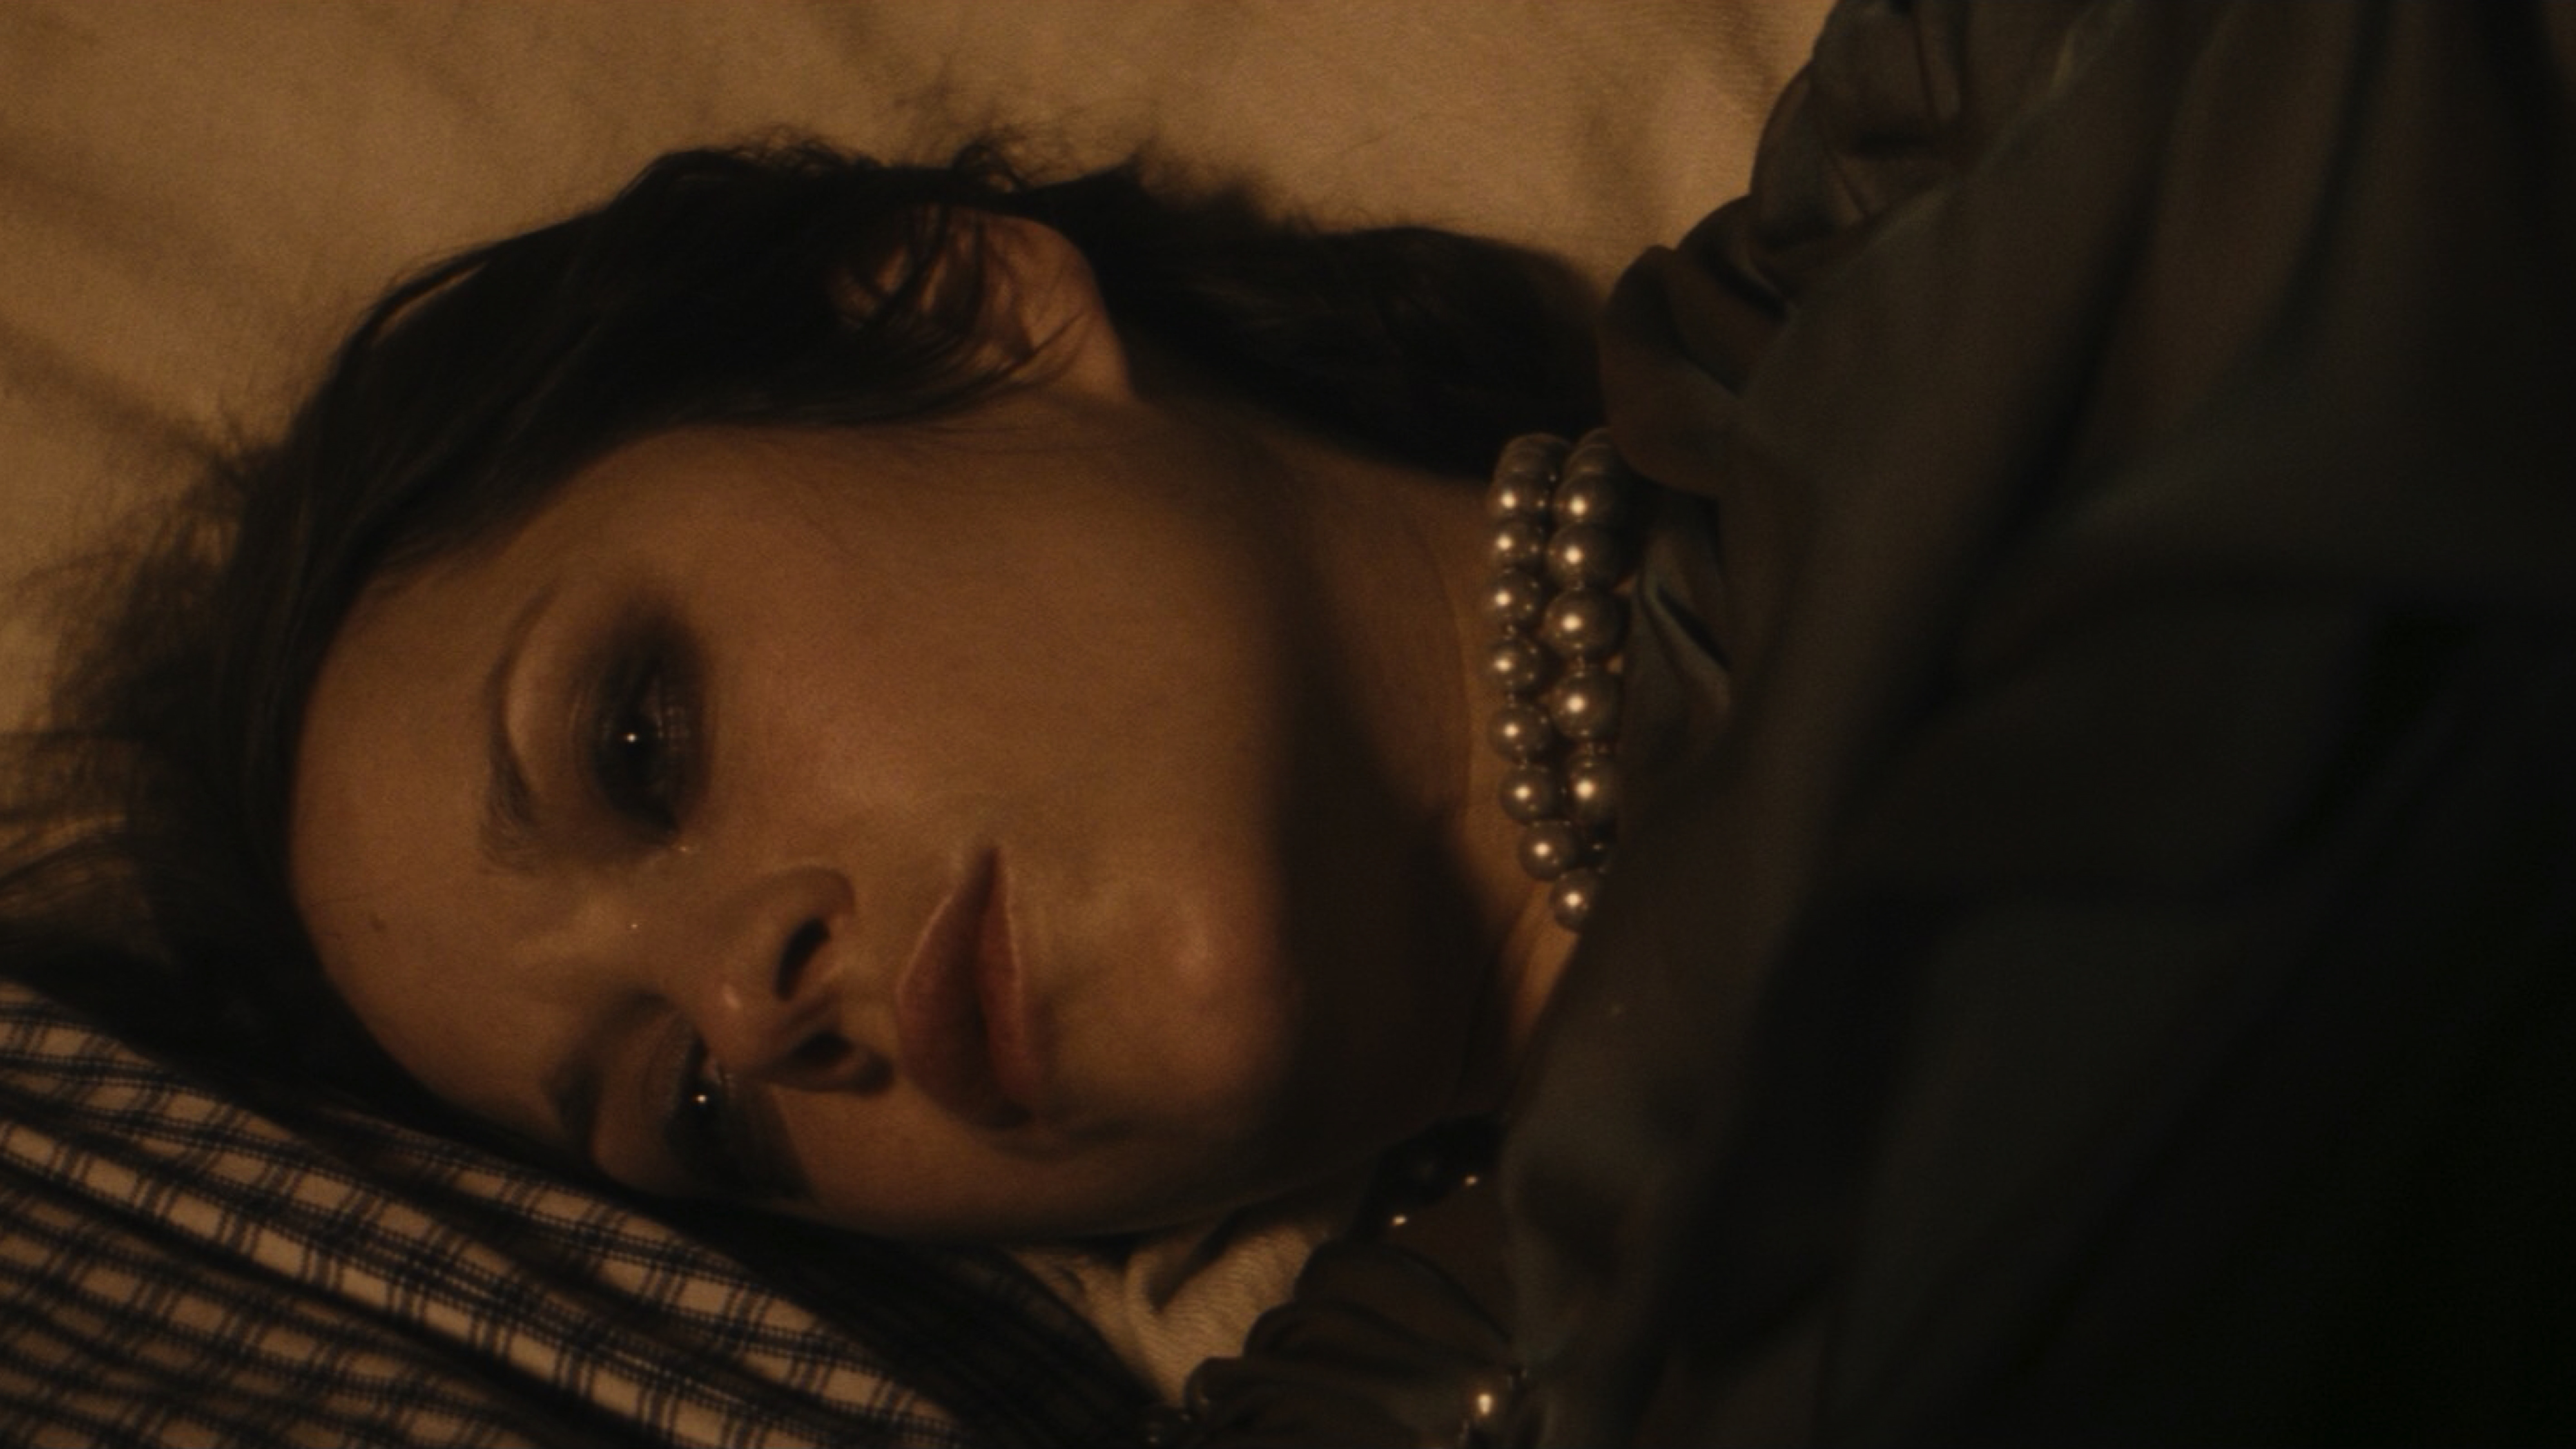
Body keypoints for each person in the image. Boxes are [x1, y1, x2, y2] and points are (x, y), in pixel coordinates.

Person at [8, 1, 2573, 1444]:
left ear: (949, 307)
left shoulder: (2009, 142)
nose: (752, 1008)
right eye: (684, 1108)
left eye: (644, 743)